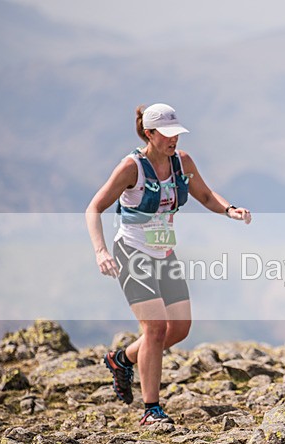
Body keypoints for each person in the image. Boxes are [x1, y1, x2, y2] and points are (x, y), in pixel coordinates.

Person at [86, 103, 251, 425]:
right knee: (156, 329)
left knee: (179, 329)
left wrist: (230, 209)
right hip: (132, 252)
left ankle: (121, 359)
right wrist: (100, 251)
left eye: (177, 133)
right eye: (167, 134)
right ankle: (152, 410)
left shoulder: (182, 162)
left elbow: (204, 195)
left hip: (164, 253)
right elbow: (94, 207)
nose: (174, 140)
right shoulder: (131, 167)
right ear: (149, 134)